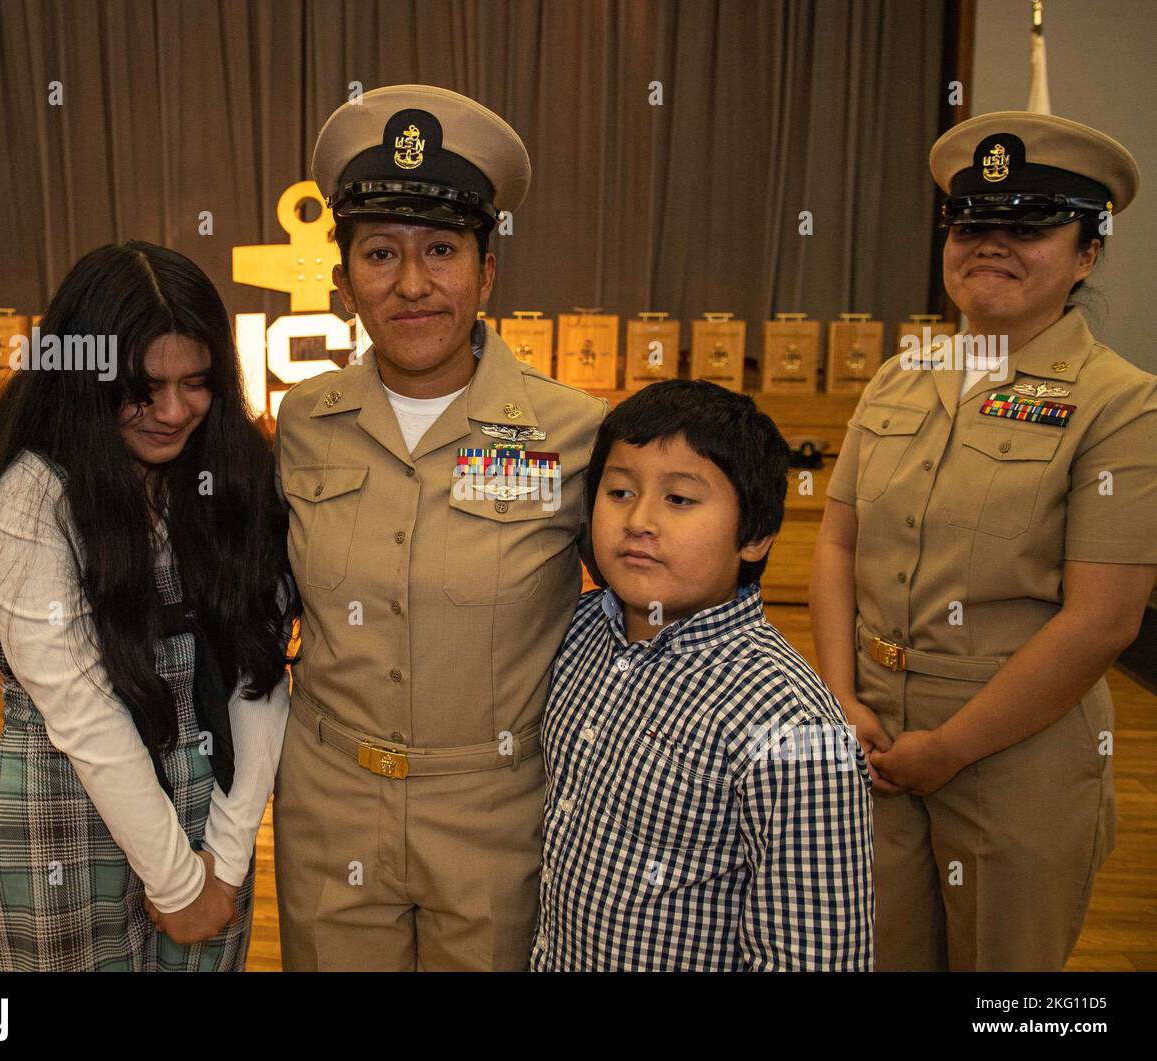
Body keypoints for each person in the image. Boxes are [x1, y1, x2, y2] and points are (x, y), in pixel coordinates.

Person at [810, 111, 1157, 971]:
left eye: (1029, 225)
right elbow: (838, 546)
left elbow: (1102, 622)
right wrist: (842, 699)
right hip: (875, 742)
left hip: (1015, 756)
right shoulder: (901, 373)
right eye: (971, 225)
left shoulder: (1122, 404)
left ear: (1087, 253)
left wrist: (950, 748)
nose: (990, 245)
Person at [273, 84, 607, 970]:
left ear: (487, 272)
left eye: (442, 250)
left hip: (495, 813)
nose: (412, 284)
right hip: (329, 802)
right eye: (380, 253)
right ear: (343, 280)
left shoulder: (573, 432)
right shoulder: (303, 420)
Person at [0, 240, 296, 971]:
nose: (173, 412)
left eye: (196, 383)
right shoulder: (33, 495)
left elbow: (257, 672)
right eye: (143, 387)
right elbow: (84, 710)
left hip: (208, 814)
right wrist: (173, 878)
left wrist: (223, 862)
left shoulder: (234, 474)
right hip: (68, 819)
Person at [530, 380, 874, 971]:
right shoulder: (574, 633)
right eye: (619, 492)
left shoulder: (793, 723)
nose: (639, 520)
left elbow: (814, 953)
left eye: (681, 500)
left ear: (755, 535)